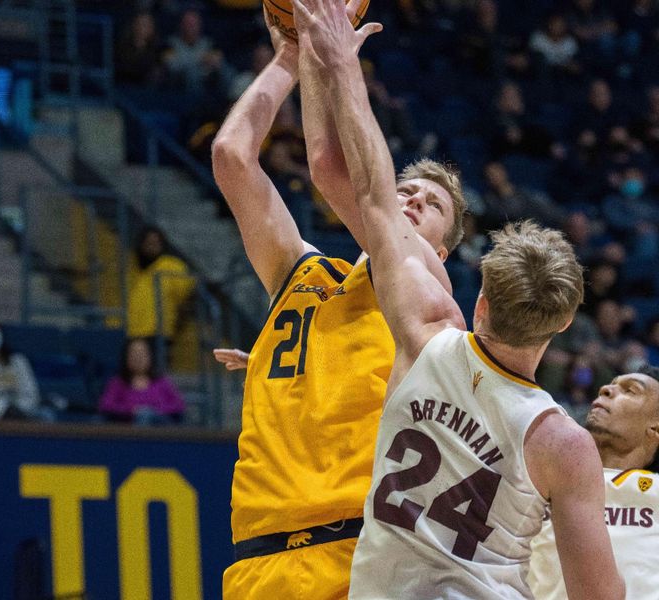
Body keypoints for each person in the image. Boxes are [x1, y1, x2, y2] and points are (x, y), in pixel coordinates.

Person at [291, 0, 623, 598]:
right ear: (566, 321)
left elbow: (366, 189)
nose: (411, 205)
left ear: (481, 301)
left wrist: (339, 63)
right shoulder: (563, 443)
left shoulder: (427, 333)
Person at [212, 9, 466, 600]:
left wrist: (330, 56)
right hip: (258, 555)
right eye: (404, 189)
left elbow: (331, 167)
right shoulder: (300, 272)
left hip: (359, 547)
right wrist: (287, 60)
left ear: (443, 251)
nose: (409, 202)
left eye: (430, 206)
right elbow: (231, 156)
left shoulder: (424, 286)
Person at [529, 365, 659, 599]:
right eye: (611, 384)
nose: (605, 389)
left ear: (655, 427)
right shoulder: (539, 481)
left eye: (630, 390)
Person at [126, 226, 195, 344]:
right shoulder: (135, 268)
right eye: (148, 242)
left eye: (155, 243)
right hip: (134, 331)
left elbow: (188, 293)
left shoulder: (170, 265)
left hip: (157, 331)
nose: (151, 246)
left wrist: (179, 323)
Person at [98, 338, 185, 424]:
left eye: (142, 354)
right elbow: (106, 406)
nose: (138, 358)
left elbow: (178, 406)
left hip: (159, 430)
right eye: (134, 354)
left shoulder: (162, 382)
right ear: (126, 358)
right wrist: (131, 411)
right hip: (127, 431)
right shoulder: (117, 383)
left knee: (147, 415)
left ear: (150, 357)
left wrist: (154, 410)